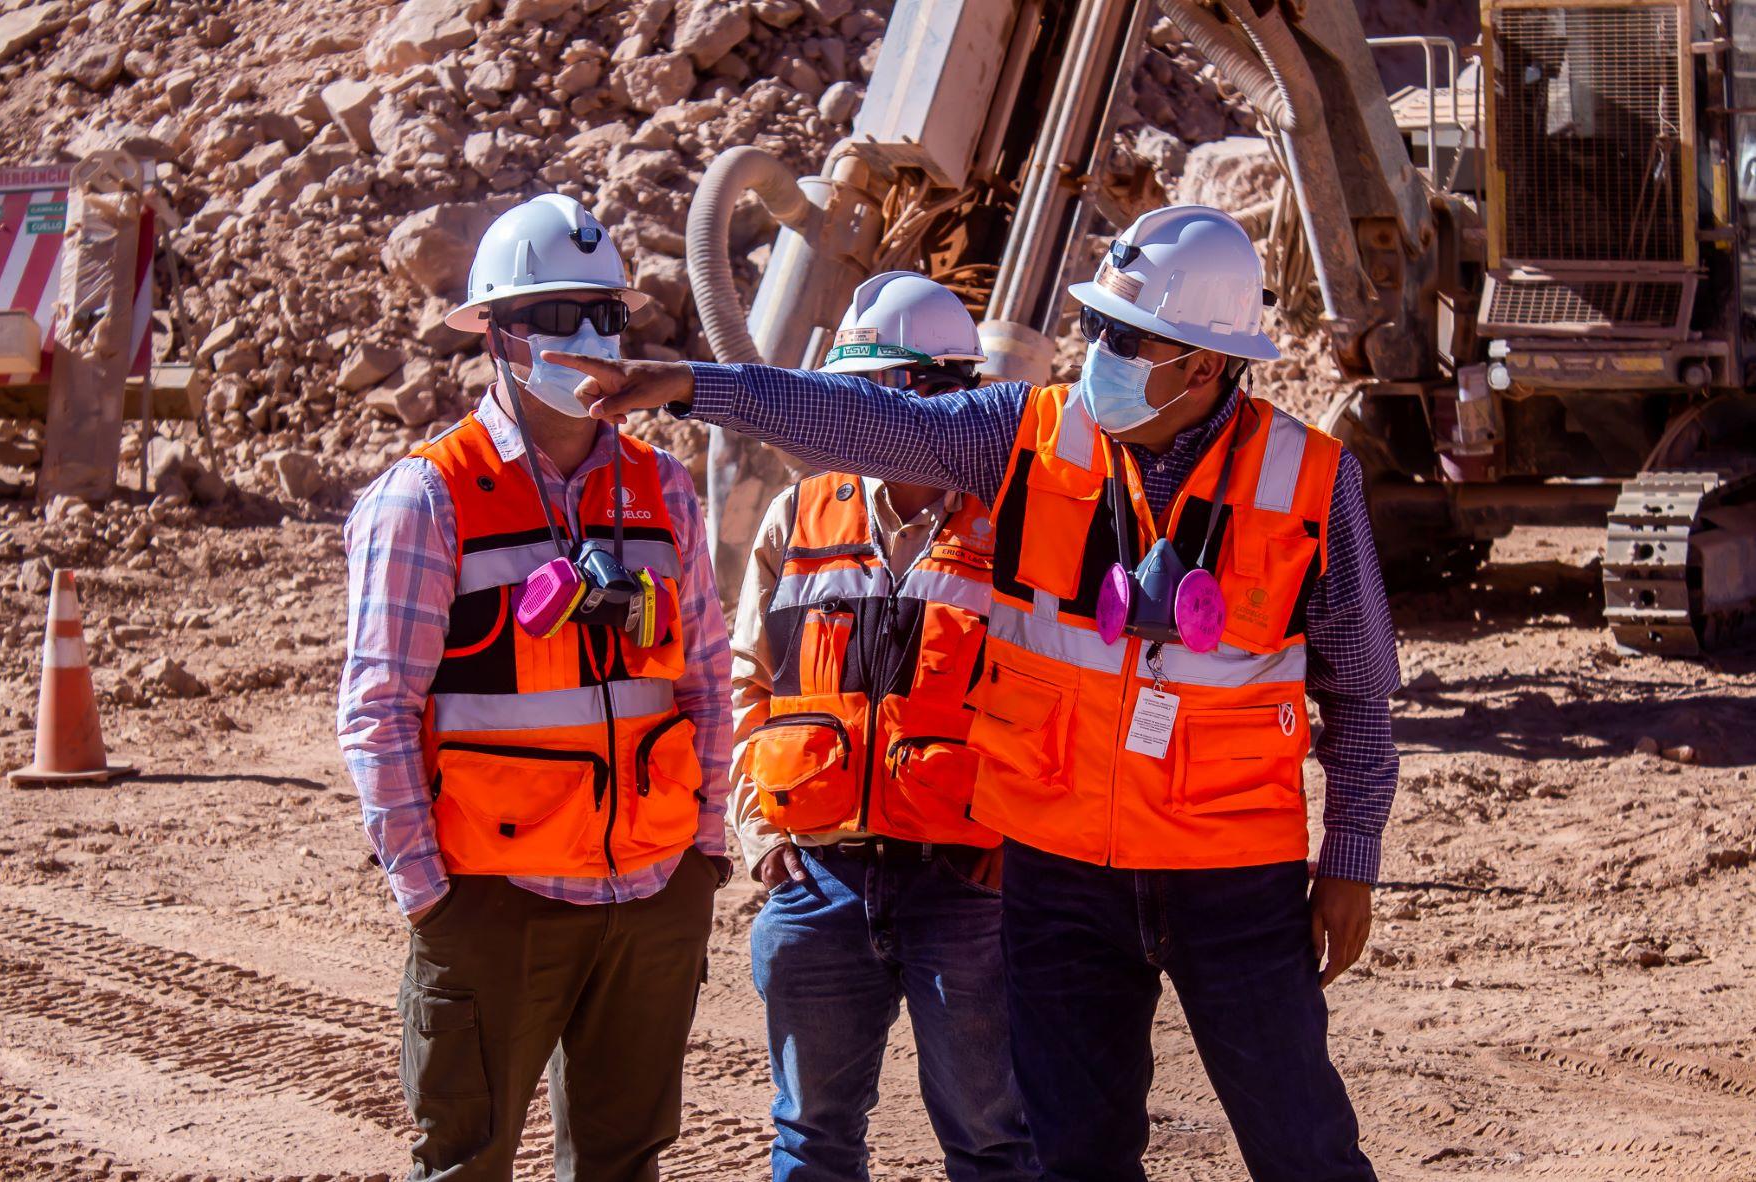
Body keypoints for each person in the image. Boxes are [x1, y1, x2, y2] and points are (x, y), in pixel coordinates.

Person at [548, 205, 1400, 1182]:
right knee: (1076, 1162)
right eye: (1094, 325)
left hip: (1232, 876)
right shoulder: (1028, 434)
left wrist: (1351, 859)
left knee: (1305, 1152)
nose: (1095, 351)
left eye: (1122, 337)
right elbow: (876, 423)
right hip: (1062, 880)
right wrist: (698, 387)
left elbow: (1361, 691)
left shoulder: (1308, 477)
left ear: (1203, 364)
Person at [336, 193, 732, 1182]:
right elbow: (378, 710)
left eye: (605, 314)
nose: (587, 338)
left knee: (623, 1161)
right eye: (555, 314)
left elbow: (705, 678)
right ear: (496, 334)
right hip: (494, 898)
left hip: (653, 889)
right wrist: (431, 898)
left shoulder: (662, 488)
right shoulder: (428, 496)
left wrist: (703, 851)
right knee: (467, 1163)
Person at [732, 272, 1039, 1182]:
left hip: (965, 888)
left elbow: (1057, 704)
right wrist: (760, 833)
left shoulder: (1019, 525)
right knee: (812, 1140)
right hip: (818, 877)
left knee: (993, 1145)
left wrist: (1019, 846)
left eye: (860, 398)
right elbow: (746, 681)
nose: (842, 420)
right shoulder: (800, 513)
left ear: (929, 395)